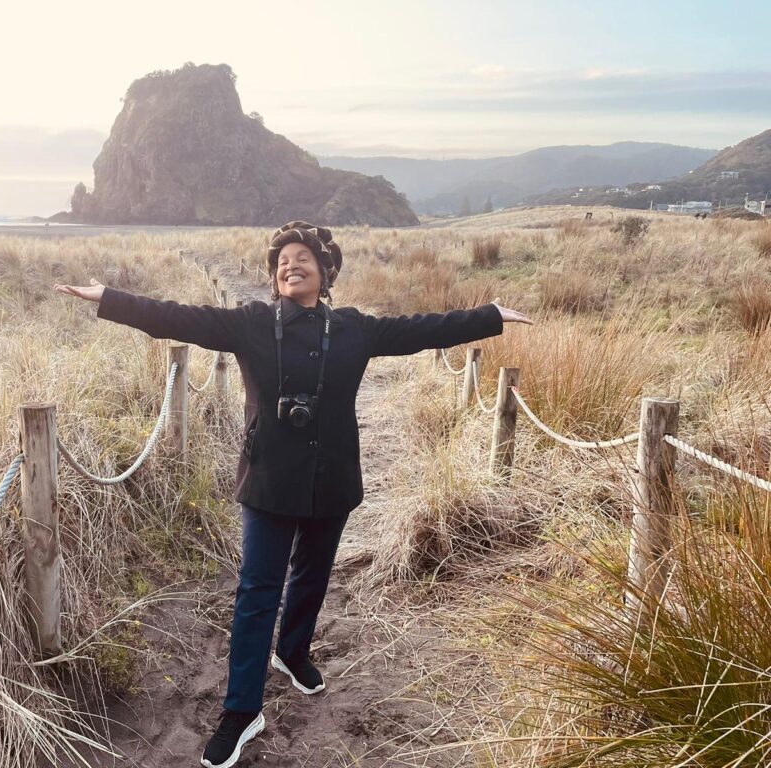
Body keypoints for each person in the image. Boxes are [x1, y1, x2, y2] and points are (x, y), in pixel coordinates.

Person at [53, 221, 533, 768]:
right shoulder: (252, 324)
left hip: (332, 477)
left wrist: (489, 316)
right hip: (269, 478)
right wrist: (108, 298)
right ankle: (241, 712)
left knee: (312, 574)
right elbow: (177, 316)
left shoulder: (353, 329)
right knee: (258, 590)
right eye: (282, 259)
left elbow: (419, 329)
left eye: (303, 257)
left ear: (325, 273)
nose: (290, 264)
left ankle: (293, 651)